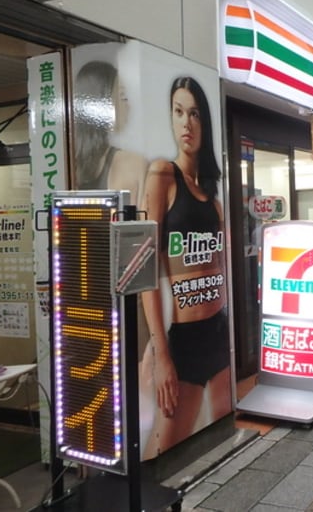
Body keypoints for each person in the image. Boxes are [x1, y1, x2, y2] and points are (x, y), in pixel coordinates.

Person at [141, 76, 231, 459]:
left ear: (204, 122)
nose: (186, 123)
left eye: (194, 113)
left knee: (221, 436)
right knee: (163, 452)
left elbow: (220, 266)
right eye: (178, 112)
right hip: (186, 340)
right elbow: (145, 267)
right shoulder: (163, 173)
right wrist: (161, 353)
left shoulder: (211, 193)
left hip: (219, 328)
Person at [73, 60, 148, 202]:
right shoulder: (132, 163)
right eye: (123, 97)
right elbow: (142, 222)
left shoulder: (70, 165)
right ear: (102, 103)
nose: (129, 106)